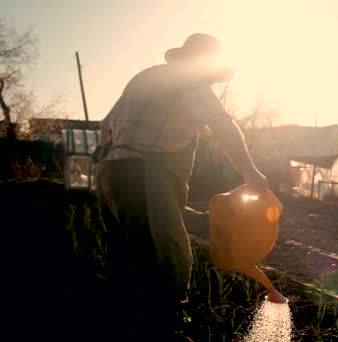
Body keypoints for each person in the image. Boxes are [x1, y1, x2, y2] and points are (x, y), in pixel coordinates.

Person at [94, 33, 282, 341]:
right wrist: (250, 172)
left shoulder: (146, 77)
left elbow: (105, 128)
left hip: (111, 171)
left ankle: (123, 321)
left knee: (126, 252)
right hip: (144, 170)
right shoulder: (189, 82)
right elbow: (223, 125)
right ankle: (167, 322)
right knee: (168, 249)